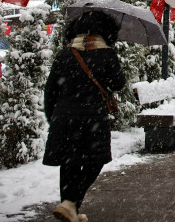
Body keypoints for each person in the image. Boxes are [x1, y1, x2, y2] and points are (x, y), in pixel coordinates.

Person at [43, 11, 126, 222]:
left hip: (63, 117)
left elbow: (50, 90)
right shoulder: (106, 54)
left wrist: (52, 116)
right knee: (95, 161)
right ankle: (71, 204)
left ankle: (70, 209)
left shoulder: (64, 54)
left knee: (69, 163)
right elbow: (118, 84)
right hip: (92, 118)